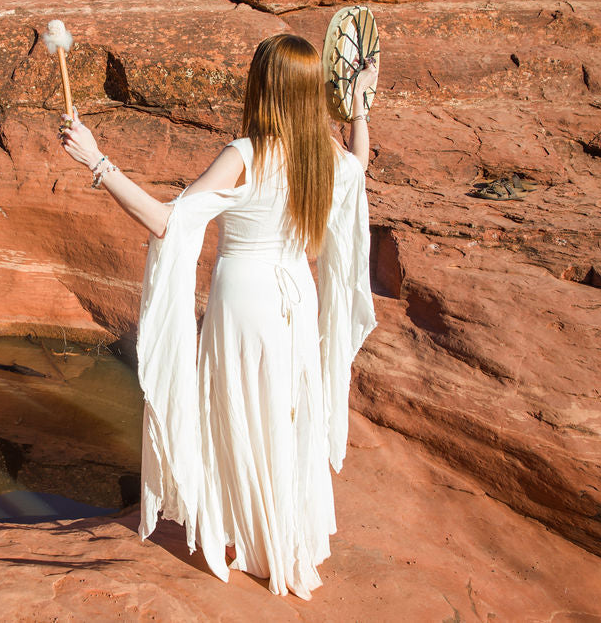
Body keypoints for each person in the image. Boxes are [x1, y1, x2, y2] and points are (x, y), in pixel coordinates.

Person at [58, 33, 379, 599]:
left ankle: (249, 534)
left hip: (246, 298)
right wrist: (359, 107)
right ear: (311, 93)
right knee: (284, 411)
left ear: (263, 88)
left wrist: (97, 161)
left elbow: (166, 223)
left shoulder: (245, 154)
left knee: (239, 409)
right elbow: (359, 165)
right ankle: (284, 537)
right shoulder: (323, 153)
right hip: (295, 297)